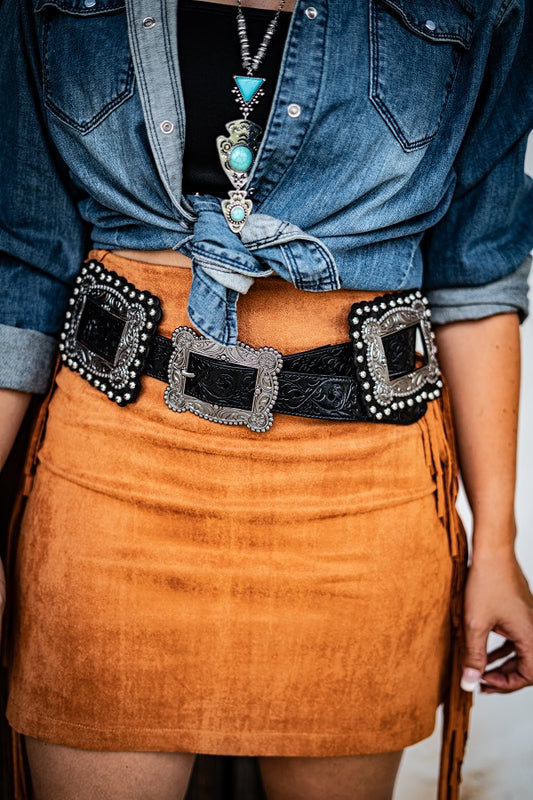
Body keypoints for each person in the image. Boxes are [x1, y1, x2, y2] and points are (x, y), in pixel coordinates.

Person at [1, 0, 533, 799]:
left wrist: (494, 541)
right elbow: (22, 260)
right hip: (111, 470)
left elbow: (475, 275)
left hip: (358, 491)